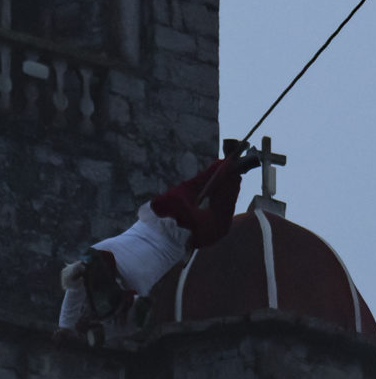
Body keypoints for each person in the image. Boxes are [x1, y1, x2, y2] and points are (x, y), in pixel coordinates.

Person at [54, 144, 264, 343]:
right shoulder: (94, 264)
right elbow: (74, 288)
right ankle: (228, 163)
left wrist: (82, 331)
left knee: (219, 223)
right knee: (199, 183)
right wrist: (65, 326)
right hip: (161, 210)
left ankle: (232, 169)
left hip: (182, 235)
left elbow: (130, 319)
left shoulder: (116, 302)